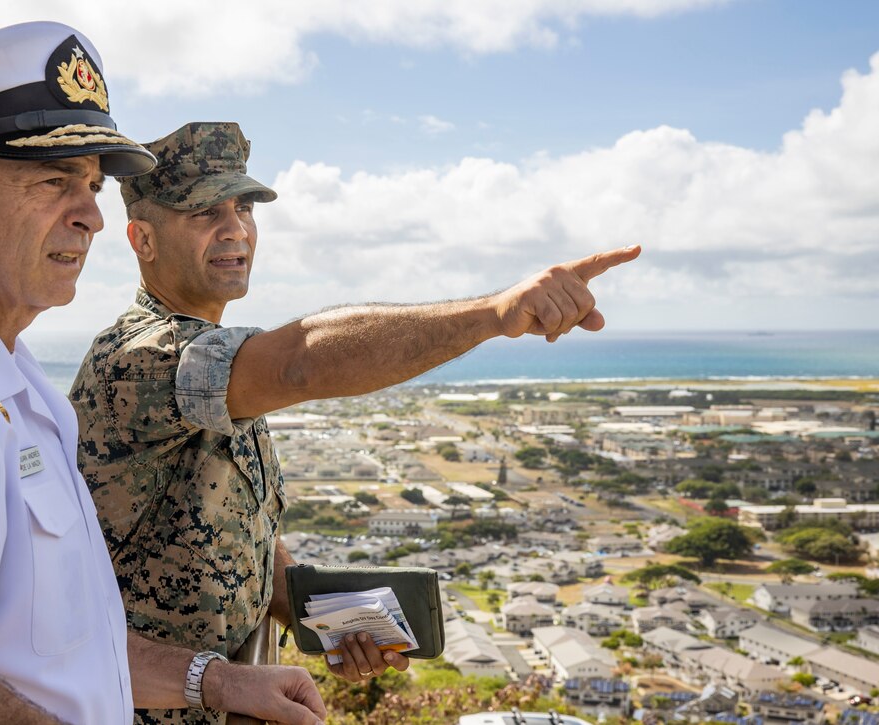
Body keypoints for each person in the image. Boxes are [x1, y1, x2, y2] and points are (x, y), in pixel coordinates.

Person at [0, 29, 324, 725]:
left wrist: (214, 680)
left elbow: (68, 650)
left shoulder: (18, 386)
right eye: (53, 182)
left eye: (92, 186)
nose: (92, 216)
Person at [69, 121, 641, 724]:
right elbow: (299, 364)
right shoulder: (140, 360)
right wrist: (496, 313)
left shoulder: (212, 359)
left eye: (243, 207)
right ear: (143, 239)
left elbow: (243, 532)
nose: (235, 228)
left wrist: (328, 616)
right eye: (203, 211)